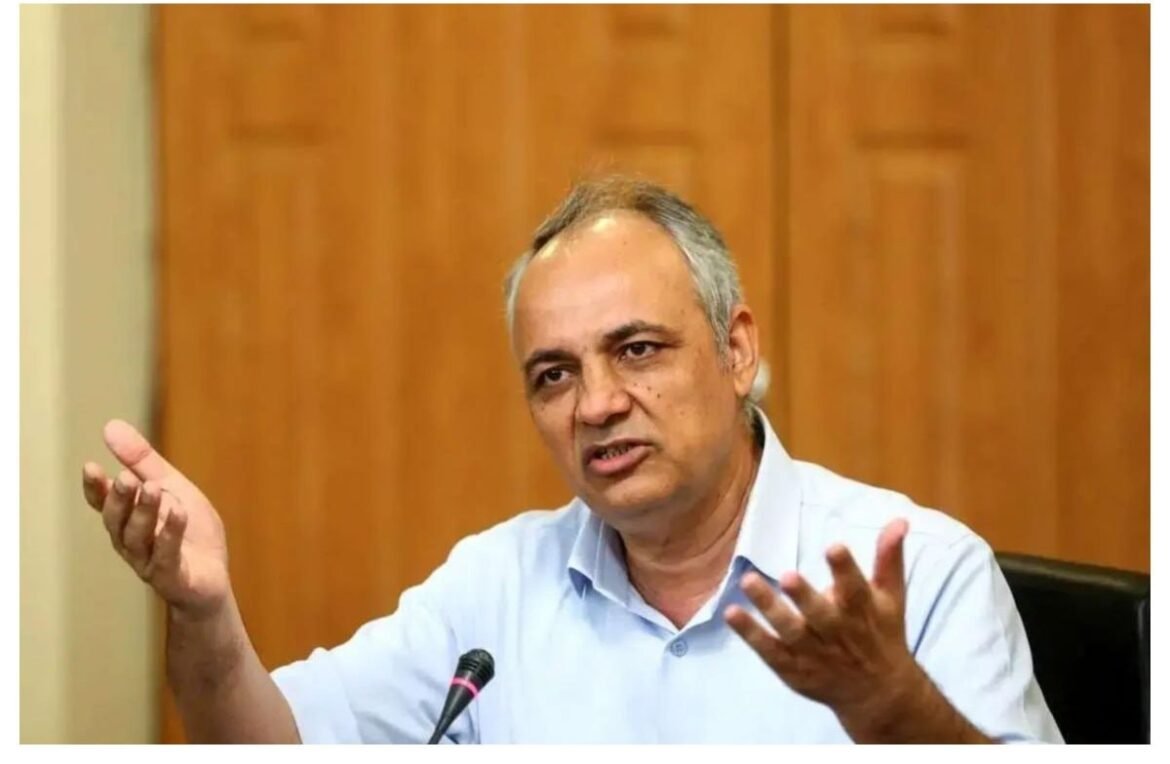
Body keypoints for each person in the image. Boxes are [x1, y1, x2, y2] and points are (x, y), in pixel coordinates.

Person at [81, 176, 1062, 744]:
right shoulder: (496, 589)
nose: (595, 405)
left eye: (636, 350)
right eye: (553, 375)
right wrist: (204, 615)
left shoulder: (920, 571)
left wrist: (891, 709)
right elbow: (273, 743)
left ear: (737, 350)